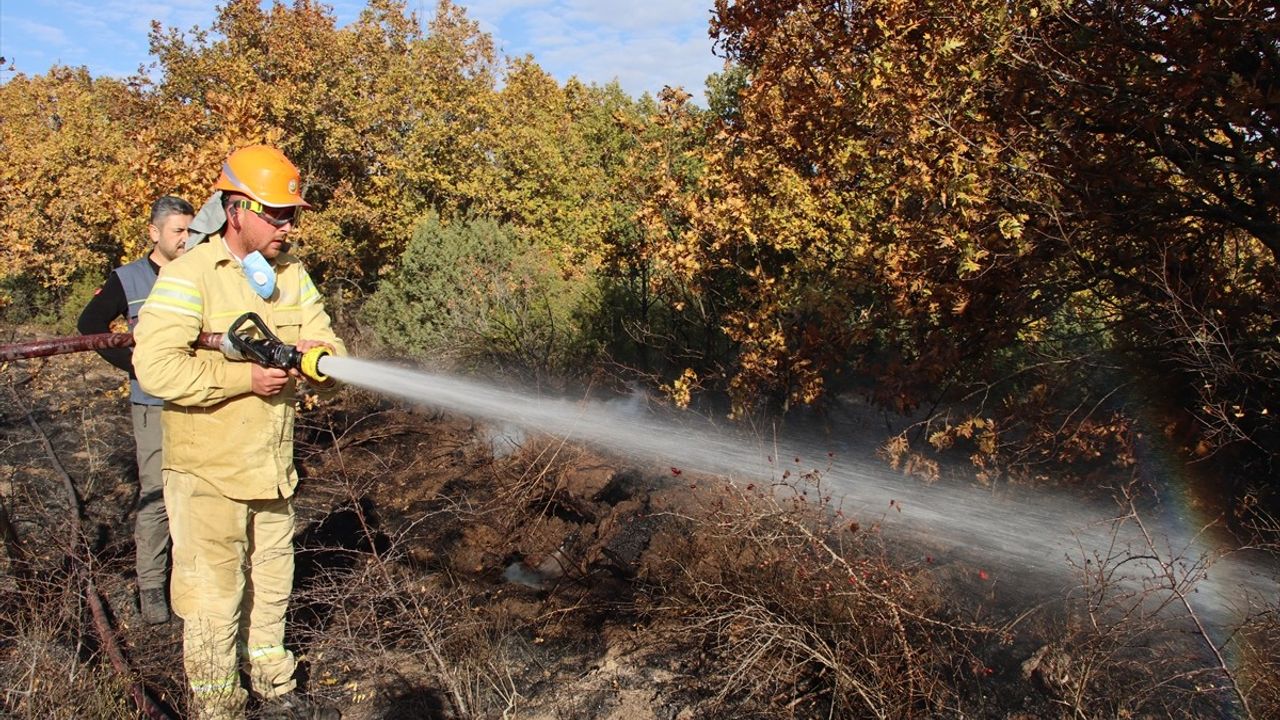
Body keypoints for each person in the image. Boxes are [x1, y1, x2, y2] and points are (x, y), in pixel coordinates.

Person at [133, 145, 345, 720]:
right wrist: (243, 379)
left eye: (292, 214)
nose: (288, 226)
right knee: (212, 597)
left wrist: (318, 358)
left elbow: (333, 348)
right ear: (236, 210)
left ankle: (275, 687)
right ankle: (219, 704)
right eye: (276, 214)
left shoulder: (292, 276)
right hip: (208, 475)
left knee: (273, 584)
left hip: (272, 471)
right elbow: (155, 367)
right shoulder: (189, 275)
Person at [78, 195, 194, 626]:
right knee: (157, 495)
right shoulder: (128, 279)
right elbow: (89, 327)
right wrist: (138, 366)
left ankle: (192, 582)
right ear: (154, 233)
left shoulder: (199, 272)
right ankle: (150, 587)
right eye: (177, 231)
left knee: (198, 493)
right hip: (154, 404)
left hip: (200, 399)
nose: (185, 240)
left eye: (189, 231)